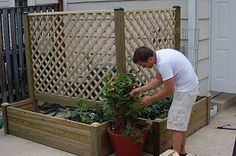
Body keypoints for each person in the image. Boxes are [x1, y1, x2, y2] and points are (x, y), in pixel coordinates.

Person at [130, 46, 199, 156]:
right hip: (188, 88)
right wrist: (140, 90)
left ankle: (176, 154)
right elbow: (158, 80)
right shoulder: (159, 55)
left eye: (144, 65)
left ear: (150, 59)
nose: (144, 67)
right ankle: (181, 152)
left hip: (186, 91)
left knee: (176, 125)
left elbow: (169, 90)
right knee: (180, 123)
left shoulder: (163, 63)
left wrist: (151, 99)